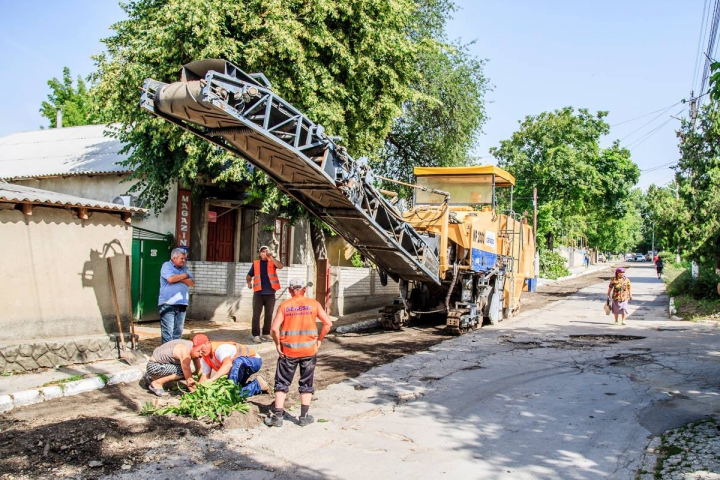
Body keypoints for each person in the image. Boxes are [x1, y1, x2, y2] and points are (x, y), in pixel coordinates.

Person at [265, 278, 333, 427]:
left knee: (282, 382)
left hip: (288, 351)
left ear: (290, 290)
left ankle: (277, 417)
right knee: (306, 382)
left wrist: (278, 345)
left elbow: (274, 329)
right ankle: (304, 416)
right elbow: (328, 324)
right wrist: (319, 340)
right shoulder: (314, 304)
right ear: (304, 289)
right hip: (309, 351)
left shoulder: (284, 306)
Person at [191, 334, 269, 397]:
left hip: (252, 361)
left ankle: (234, 389)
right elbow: (205, 376)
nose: (200, 352)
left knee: (230, 388)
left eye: (201, 349)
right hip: (239, 368)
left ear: (207, 343)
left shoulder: (220, 349)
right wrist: (198, 390)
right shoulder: (206, 357)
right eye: (198, 350)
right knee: (231, 393)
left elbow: (228, 365)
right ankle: (258, 384)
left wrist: (212, 380)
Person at [246, 245, 284, 344]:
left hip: (270, 293)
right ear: (259, 253)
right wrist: (249, 282)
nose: (264, 253)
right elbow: (249, 275)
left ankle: (266, 333)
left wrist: (271, 257)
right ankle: (256, 335)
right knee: (256, 315)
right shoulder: (256, 263)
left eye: (265, 251)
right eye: (262, 252)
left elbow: (280, 266)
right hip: (258, 293)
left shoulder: (272, 262)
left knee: (269, 314)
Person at [158, 248, 195, 344]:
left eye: (184, 259)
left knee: (178, 331)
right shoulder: (166, 266)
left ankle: (175, 353)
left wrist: (178, 278)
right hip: (168, 303)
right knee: (168, 331)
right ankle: (166, 355)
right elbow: (170, 279)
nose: (184, 261)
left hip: (182, 303)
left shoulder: (185, 269)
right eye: (182, 258)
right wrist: (184, 276)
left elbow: (191, 283)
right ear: (174, 258)